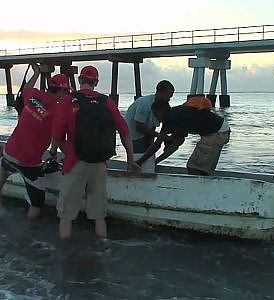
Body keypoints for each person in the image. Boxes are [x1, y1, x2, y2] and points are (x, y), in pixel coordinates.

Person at [51, 65, 141, 240]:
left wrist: (53, 153)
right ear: (96, 82)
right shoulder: (106, 102)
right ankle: (103, 249)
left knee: (66, 215)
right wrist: (130, 160)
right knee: (99, 215)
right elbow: (125, 132)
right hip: (100, 163)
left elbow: (56, 134)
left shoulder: (68, 101)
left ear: (79, 80)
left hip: (74, 163)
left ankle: (64, 257)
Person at [0, 63, 71, 218]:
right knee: (38, 201)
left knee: (4, 168)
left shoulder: (33, 95)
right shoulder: (58, 110)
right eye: (66, 92)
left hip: (9, 151)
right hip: (29, 162)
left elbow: (26, 89)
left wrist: (36, 73)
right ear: (61, 90)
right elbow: (58, 138)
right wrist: (68, 156)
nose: (66, 96)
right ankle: (30, 236)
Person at [136, 99, 230, 176]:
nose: (156, 118)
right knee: (202, 169)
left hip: (217, 133)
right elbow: (176, 144)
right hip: (221, 131)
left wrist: (140, 161)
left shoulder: (171, 117)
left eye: (156, 115)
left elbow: (157, 144)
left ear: (163, 110)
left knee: (194, 168)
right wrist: (155, 162)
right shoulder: (175, 117)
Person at [125, 80, 174, 172]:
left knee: (149, 154)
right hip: (133, 135)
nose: (169, 99)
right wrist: (159, 136)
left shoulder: (161, 107)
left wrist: (152, 145)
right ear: (160, 92)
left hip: (144, 134)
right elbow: (139, 127)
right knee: (139, 157)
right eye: (168, 95)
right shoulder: (145, 103)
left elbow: (152, 127)